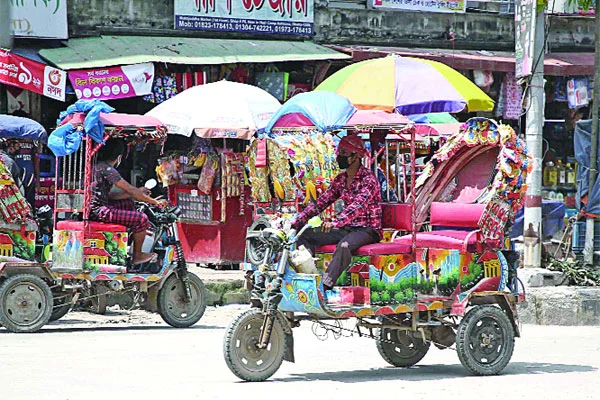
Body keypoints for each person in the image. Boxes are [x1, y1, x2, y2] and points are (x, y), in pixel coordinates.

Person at [291, 135, 382, 292]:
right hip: (347, 227)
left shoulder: (369, 180)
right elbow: (322, 202)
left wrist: (335, 222)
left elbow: (357, 205)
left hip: (367, 230)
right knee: (305, 236)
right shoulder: (341, 179)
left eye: (345, 153)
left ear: (357, 156)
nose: (340, 157)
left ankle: (325, 286)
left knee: (344, 246)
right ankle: (309, 276)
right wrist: (299, 221)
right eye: (340, 152)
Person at [90, 139, 167, 265]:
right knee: (141, 219)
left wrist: (136, 193)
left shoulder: (98, 167)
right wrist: (154, 202)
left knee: (129, 204)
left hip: (98, 207)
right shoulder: (108, 170)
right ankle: (138, 255)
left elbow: (113, 195)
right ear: (119, 157)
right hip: (99, 211)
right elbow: (130, 189)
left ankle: (129, 238)